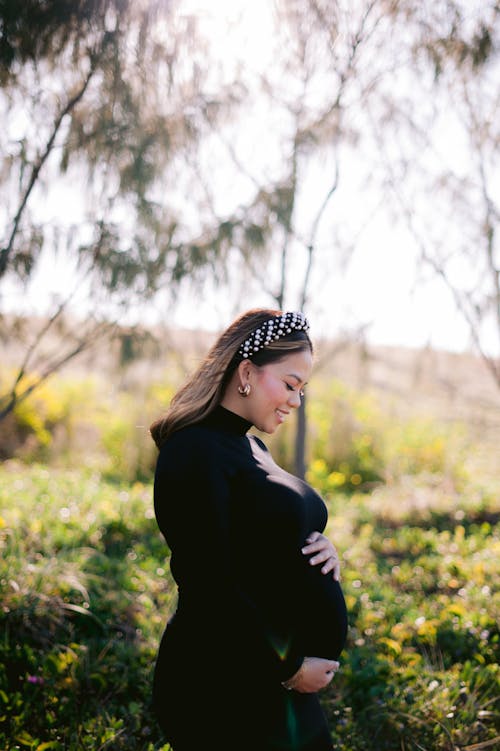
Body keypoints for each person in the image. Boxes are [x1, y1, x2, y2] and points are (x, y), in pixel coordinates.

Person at [149, 308, 348, 751]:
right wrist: (290, 667)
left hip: (268, 681)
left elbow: (263, 539)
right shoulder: (194, 450)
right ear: (246, 372)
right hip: (221, 680)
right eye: (290, 384)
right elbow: (207, 583)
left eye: (303, 389)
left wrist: (320, 547)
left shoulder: (250, 445)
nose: (297, 401)